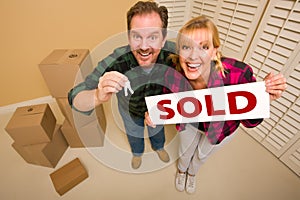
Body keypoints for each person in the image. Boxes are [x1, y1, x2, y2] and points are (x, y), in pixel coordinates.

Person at [145, 15, 287, 193]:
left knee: (202, 154)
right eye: (186, 47)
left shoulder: (238, 74)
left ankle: (192, 173)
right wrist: (155, 115)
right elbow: (167, 103)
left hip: (221, 128)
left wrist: (263, 98)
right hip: (189, 123)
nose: (193, 56)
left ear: (215, 51)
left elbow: (251, 122)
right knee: (185, 149)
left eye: (203, 47)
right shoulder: (171, 74)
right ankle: (182, 170)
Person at [68, 0, 187, 169]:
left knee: (157, 131)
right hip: (129, 111)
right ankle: (137, 153)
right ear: (129, 37)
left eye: (153, 37)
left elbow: (206, 68)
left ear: (163, 39)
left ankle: (158, 148)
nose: (144, 47)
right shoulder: (118, 59)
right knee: (134, 134)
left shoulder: (175, 53)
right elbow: (75, 97)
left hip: (159, 109)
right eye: (137, 36)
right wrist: (96, 95)